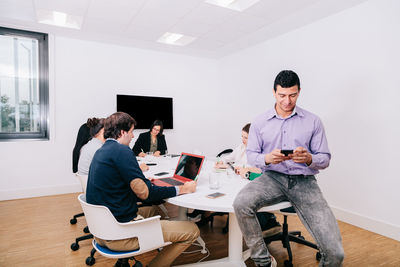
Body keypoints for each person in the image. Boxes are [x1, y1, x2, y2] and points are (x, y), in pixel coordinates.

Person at [233, 70, 344, 267]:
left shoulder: (313, 121)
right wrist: (267, 158)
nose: (287, 101)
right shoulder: (259, 122)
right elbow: (251, 155)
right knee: (241, 203)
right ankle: (262, 260)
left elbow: (325, 158)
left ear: (299, 92)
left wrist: (309, 158)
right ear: (274, 93)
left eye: (292, 95)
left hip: (304, 182)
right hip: (272, 178)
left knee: (335, 254)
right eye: (282, 95)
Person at [86, 112, 200, 267]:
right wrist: (182, 189)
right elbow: (146, 194)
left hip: (101, 229)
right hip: (119, 233)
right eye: (132, 131)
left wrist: (146, 183)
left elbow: (124, 184)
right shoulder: (122, 151)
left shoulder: (102, 151)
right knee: (192, 230)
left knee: (157, 211)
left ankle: (157, 239)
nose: (133, 136)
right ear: (122, 132)